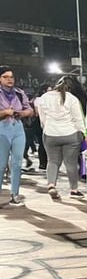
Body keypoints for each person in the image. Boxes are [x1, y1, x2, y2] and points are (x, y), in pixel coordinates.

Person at [40, 75, 87, 200]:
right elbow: (79, 120)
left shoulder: (44, 97)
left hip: (50, 134)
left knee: (52, 161)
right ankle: (74, 190)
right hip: (70, 135)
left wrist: (46, 128)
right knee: (70, 163)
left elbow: (42, 118)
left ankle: (51, 185)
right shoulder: (72, 99)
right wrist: (86, 134)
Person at [0, 66, 34, 206]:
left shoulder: (19, 93)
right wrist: (5, 112)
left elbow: (30, 110)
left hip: (18, 128)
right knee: (1, 164)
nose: (9, 79)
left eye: (11, 77)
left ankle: (15, 194)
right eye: (6, 77)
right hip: (2, 129)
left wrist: (23, 113)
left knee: (17, 163)